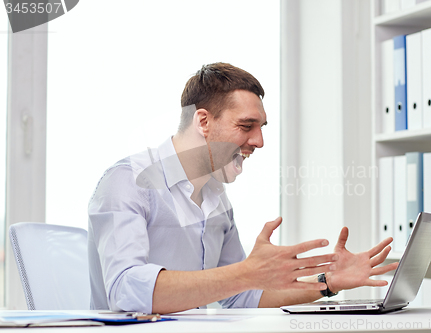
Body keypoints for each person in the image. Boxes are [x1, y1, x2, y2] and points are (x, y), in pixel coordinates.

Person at [88, 62, 398, 315]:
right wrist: (246, 273)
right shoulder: (128, 182)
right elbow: (125, 291)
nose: (259, 141)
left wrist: (327, 282)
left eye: (261, 128)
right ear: (203, 121)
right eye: (245, 126)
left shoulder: (216, 198)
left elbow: (243, 297)